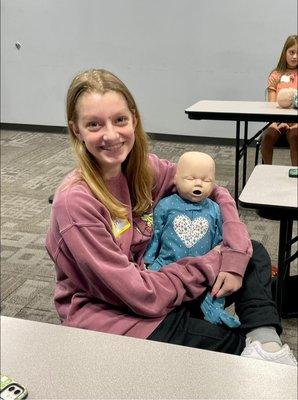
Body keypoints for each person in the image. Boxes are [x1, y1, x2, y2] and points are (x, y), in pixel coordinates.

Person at [46, 68, 296, 366]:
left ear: (134, 119)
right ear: (77, 130)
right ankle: (254, 349)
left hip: (159, 281)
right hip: (117, 316)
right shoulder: (76, 202)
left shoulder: (141, 168)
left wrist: (230, 256)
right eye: (95, 124)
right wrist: (214, 260)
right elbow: (139, 295)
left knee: (250, 251)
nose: (111, 135)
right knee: (235, 352)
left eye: (120, 120)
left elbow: (213, 189)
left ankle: (264, 341)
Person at [144, 151, 240, 328]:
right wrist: (148, 259)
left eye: (206, 180)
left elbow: (220, 238)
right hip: (167, 263)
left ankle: (214, 315)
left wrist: (219, 255)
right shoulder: (165, 205)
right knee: (150, 290)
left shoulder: (215, 209)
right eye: (190, 178)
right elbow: (155, 234)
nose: (198, 183)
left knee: (215, 291)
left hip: (203, 267)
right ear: (176, 179)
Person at [261, 35, 298, 165]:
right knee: (267, 137)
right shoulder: (276, 75)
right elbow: (271, 105)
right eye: (292, 52)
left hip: (296, 123)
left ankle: (296, 175)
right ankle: (266, 172)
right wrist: (274, 122)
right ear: (285, 53)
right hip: (277, 121)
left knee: (296, 137)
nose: (295, 56)